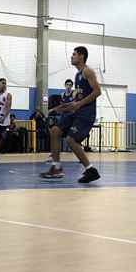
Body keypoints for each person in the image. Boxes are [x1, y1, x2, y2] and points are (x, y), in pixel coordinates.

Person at [40, 46, 101, 183]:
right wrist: (60, 107)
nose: (71, 57)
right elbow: (77, 99)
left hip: (86, 114)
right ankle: (56, 168)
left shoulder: (88, 72)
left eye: (74, 54)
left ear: (81, 56)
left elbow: (97, 92)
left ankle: (91, 170)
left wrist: (79, 104)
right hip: (77, 112)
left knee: (70, 140)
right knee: (54, 131)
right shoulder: (78, 75)